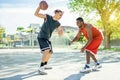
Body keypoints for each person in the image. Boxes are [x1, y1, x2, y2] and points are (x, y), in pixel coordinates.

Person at [34, 5, 64, 75]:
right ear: (56, 13)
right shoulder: (47, 17)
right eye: (60, 14)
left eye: (61, 15)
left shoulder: (58, 23)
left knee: (50, 53)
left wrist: (60, 32)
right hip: (41, 37)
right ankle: (41, 68)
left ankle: (45, 64)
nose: (60, 16)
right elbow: (36, 14)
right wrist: (39, 7)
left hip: (47, 38)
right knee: (47, 50)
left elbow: (60, 31)